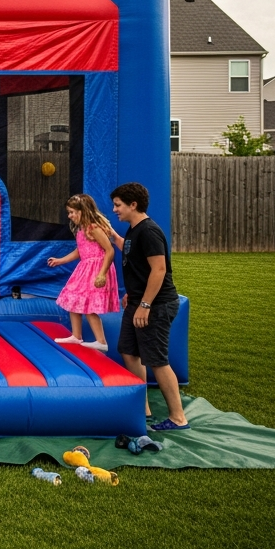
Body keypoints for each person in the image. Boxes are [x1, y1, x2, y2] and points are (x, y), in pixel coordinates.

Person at [110, 182, 189, 431]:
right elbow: (130, 252)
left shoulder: (149, 231)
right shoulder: (134, 231)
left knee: (156, 360)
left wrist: (145, 304)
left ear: (133, 205)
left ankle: (178, 417)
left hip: (156, 305)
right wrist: (111, 235)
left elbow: (159, 269)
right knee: (129, 351)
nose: (114, 209)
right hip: (136, 301)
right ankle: (142, 407)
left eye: (118, 205)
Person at [47, 194, 119, 350]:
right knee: (73, 298)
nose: (70, 216)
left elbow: (109, 251)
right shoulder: (82, 230)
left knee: (88, 305)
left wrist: (102, 273)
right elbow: (80, 251)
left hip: (97, 268)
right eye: (69, 213)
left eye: (72, 212)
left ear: (83, 211)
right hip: (85, 268)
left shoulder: (94, 228)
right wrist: (61, 260)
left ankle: (101, 341)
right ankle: (76, 335)